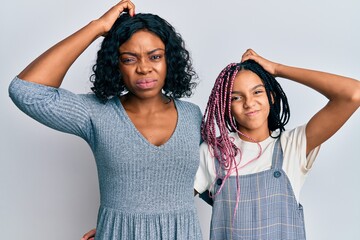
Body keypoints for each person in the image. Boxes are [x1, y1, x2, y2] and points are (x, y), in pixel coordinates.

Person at [8, 1, 204, 239]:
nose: (144, 68)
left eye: (155, 56)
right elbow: (26, 91)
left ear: (169, 60)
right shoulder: (97, 113)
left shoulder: (193, 116)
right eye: (129, 59)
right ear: (116, 65)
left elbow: (214, 178)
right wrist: (98, 27)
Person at [193, 49, 360, 239]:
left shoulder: (293, 146)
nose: (249, 103)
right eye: (236, 97)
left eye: (257, 92)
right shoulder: (213, 153)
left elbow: (353, 94)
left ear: (271, 96)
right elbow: (172, 200)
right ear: (226, 105)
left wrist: (277, 69)